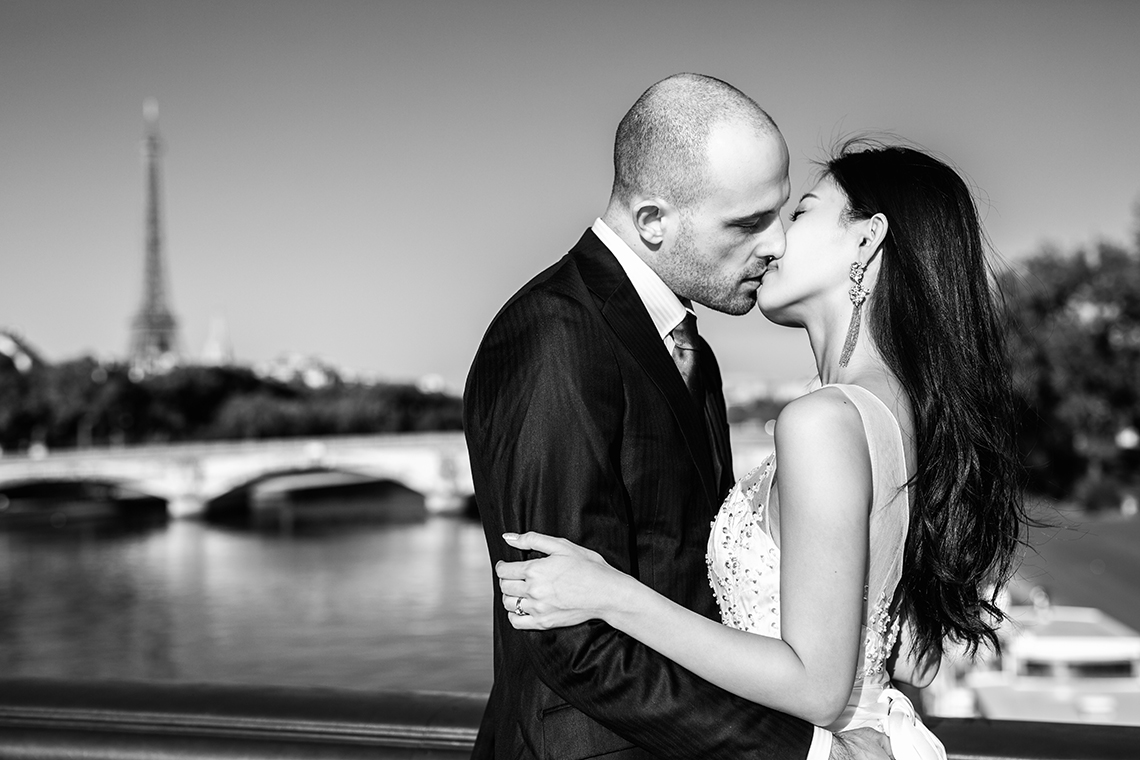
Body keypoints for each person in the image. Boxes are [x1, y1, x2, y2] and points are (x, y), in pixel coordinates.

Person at [495, 141, 1026, 760]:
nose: (772, 243)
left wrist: (612, 593)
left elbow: (817, 687)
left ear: (866, 240)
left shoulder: (824, 421)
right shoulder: (901, 410)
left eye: (801, 214)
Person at [465, 75, 888, 759]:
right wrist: (797, 752)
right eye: (749, 223)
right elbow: (567, 640)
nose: (775, 243)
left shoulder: (696, 354)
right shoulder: (554, 337)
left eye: (781, 213)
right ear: (654, 221)